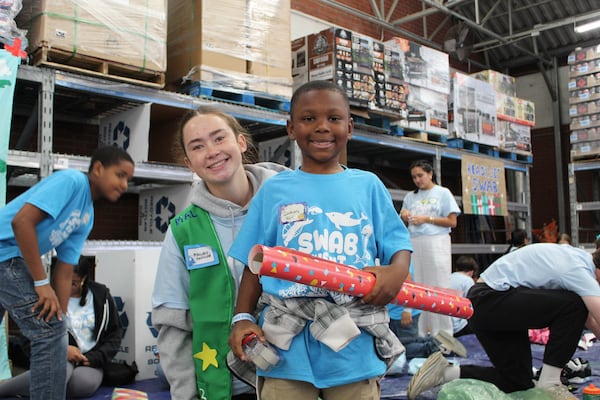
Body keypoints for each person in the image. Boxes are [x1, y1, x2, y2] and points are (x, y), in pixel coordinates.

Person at [227, 80, 412, 400]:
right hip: (287, 348)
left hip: (353, 346)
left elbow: (398, 245)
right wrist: (242, 318)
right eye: (309, 118)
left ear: (350, 128)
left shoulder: (368, 186)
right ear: (291, 128)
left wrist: (397, 273)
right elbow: (254, 264)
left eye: (334, 118)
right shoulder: (275, 190)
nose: (322, 127)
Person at [151, 106, 287, 400]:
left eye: (218, 138)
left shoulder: (290, 205)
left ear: (241, 142)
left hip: (296, 382)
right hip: (225, 388)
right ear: (189, 163)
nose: (211, 151)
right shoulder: (183, 231)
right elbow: (172, 325)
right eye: (198, 146)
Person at [0, 146, 134, 400]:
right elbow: (22, 222)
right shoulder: (71, 181)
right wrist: (41, 283)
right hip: (4, 254)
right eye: (120, 175)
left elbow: (63, 270)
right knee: (48, 333)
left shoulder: (86, 216)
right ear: (97, 169)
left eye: (128, 179)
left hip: (10, 259)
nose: (125, 184)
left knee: (54, 331)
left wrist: (60, 323)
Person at [407, 243, 600, 400]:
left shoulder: (578, 259)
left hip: (493, 305)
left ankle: (444, 373)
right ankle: (550, 381)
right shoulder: (578, 270)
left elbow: (591, 320)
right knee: (574, 305)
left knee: (518, 381)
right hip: (489, 300)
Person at [0, 256, 122, 398]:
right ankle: (6, 390)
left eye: (74, 283)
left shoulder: (102, 297)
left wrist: (94, 358)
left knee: (82, 384)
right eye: (64, 280)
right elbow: (28, 337)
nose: (67, 287)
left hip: (89, 361)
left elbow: (114, 334)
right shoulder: (46, 297)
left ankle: (31, 390)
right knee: (60, 370)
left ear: (84, 279)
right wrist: (63, 349)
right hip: (57, 356)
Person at [399, 159, 460, 338]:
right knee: (418, 284)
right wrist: (405, 214)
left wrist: (427, 219)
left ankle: (443, 333)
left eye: (420, 175)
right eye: (414, 177)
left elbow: (452, 221)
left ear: (430, 174)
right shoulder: (410, 196)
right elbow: (402, 218)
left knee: (439, 284)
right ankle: (422, 332)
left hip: (436, 240)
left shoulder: (443, 193)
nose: (417, 180)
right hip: (415, 240)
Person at [387, 267, 467, 360]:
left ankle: (436, 347)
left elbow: (407, 279)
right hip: (400, 310)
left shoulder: (395, 255)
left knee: (403, 347)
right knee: (410, 339)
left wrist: (407, 310)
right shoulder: (403, 255)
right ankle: (437, 341)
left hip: (400, 312)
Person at [449, 255, 478, 337]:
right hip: (460, 325)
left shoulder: (449, 277)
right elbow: (472, 304)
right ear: (472, 272)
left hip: (448, 324)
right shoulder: (468, 281)